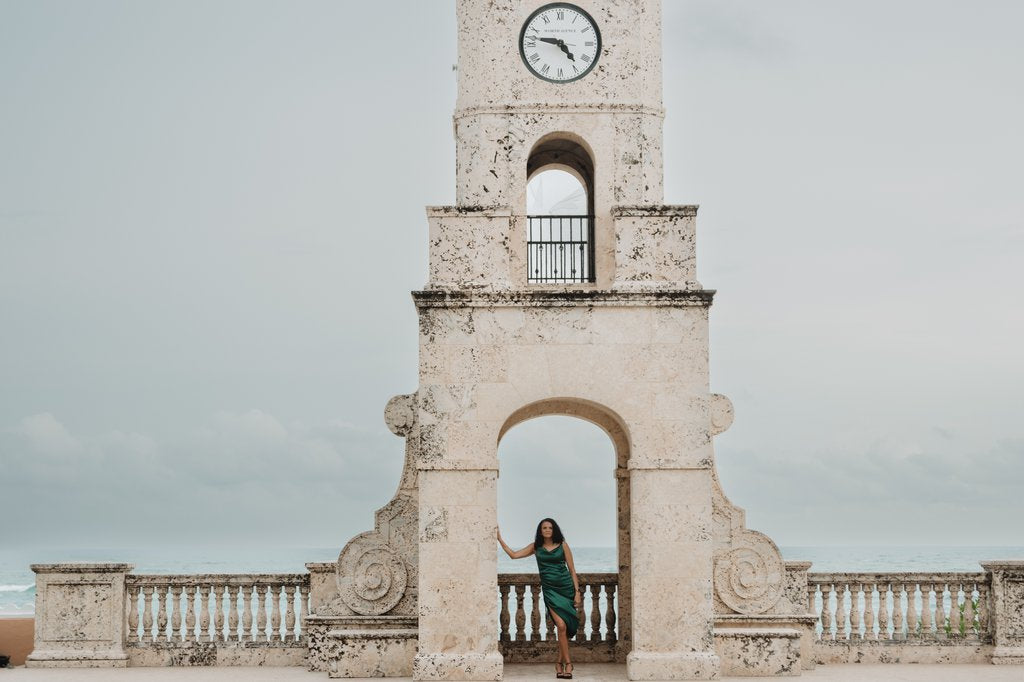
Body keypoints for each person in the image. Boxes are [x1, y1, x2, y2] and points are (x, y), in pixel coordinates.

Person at [497, 518, 581, 679]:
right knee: (561, 626)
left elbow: (572, 570)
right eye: (544, 528)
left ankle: (559, 663)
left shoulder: (562, 545)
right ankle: (568, 664)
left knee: (564, 629)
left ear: (554, 529)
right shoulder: (536, 547)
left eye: (550, 527)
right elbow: (514, 555)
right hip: (550, 591)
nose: (547, 530)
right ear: (540, 531)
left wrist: (577, 592)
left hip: (566, 589)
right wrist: (500, 539)